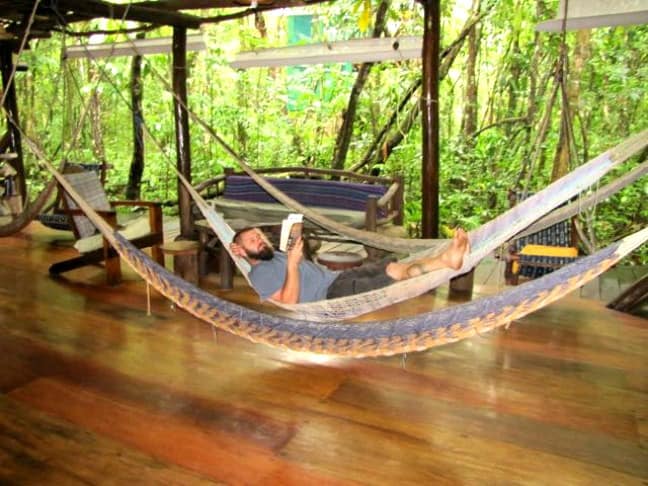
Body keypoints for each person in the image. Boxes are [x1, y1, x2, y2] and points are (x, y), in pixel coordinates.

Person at [230, 227, 470, 304]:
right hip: (329, 294)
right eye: (253, 240)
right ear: (242, 250)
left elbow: (298, 265)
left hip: (336, 277)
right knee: (393, 274)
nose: (260, 241)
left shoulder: (272, 255)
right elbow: (289, 302)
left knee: (395, 265)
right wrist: (293, 264)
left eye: (260, 236)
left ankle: (447, 258)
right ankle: (446, 261)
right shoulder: (259, 273)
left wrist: (294, 239)